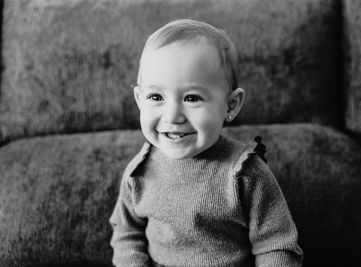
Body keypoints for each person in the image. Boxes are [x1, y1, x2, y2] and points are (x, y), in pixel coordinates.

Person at [109, 19, 303, 267]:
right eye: (156, 96)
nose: (172, 116)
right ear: (139, 100)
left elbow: (276, 245)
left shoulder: (244, 173)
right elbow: (126, 232)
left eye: (191, 97)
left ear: (230, 105)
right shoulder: (140, 170)